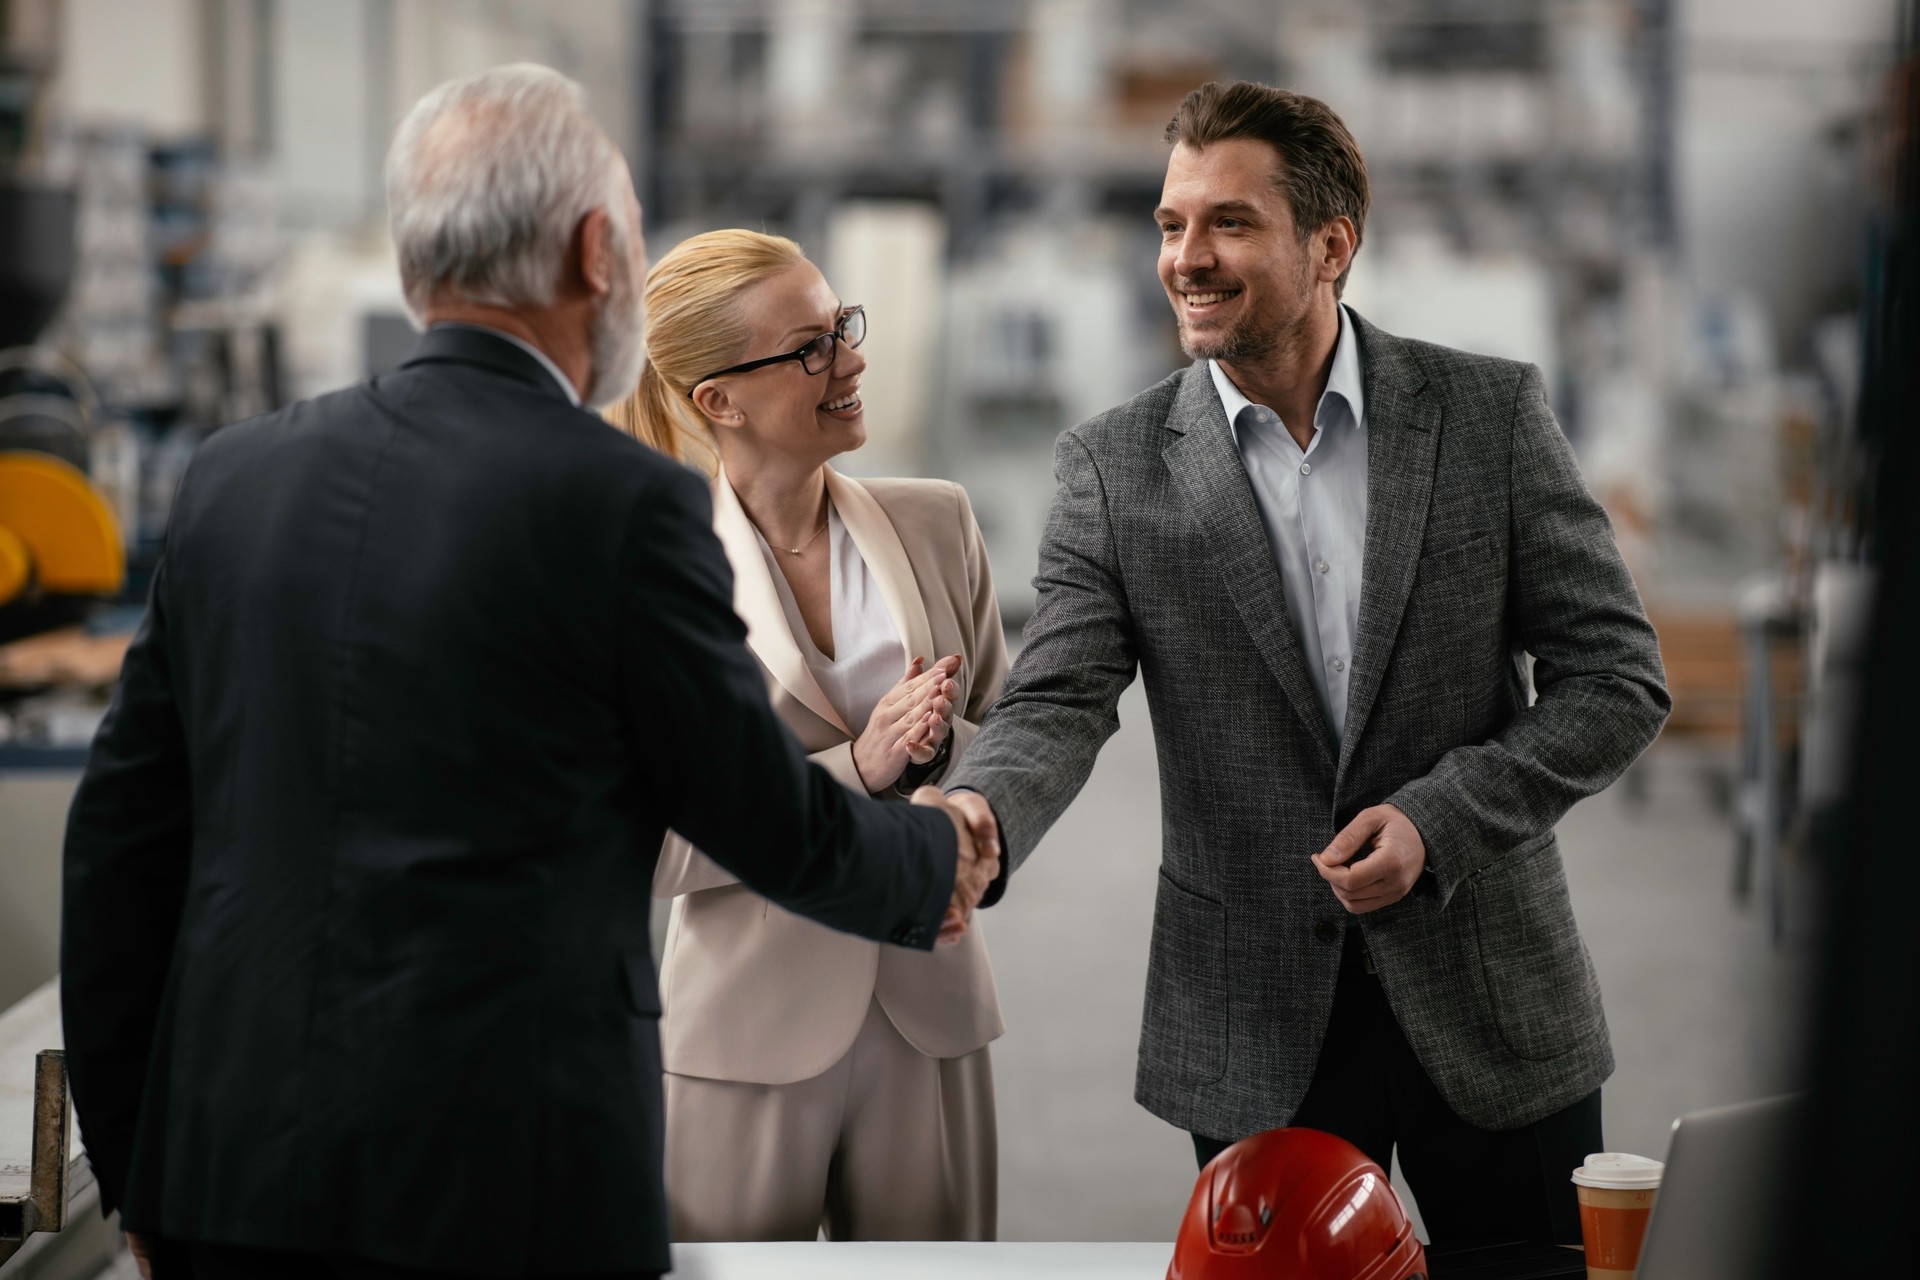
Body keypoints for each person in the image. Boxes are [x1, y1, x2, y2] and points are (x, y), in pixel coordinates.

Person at [58, 65, 994, 1280]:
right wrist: (934, 856)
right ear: (598, 251)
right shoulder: (621, 504)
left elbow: (119, 851)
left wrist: (140, 1165)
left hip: (231, 1186)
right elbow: (752, 806)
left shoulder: (238, 480)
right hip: (510, 1184)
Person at [944, 80, 1670, 1249]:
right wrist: (978, 813)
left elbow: (1617, 679)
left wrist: (1439, 817)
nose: (1188, 256)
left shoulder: (1487, 418)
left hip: (1491, 996)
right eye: (1173, 225)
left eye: (1229, 222)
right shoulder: (1116, 467)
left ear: (1331, 244)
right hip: (1254, 1021)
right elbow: (1060, 693)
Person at [605, 229, 1008, 1242]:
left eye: (843, 328)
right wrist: (854, 767)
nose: (851, 358)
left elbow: (1016, 747)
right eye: (811, 347)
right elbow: (643, 840)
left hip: (930, 1003)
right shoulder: (652, 573)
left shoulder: (939, 525)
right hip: (745, 1030)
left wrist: (947, 791)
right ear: (718, 401)